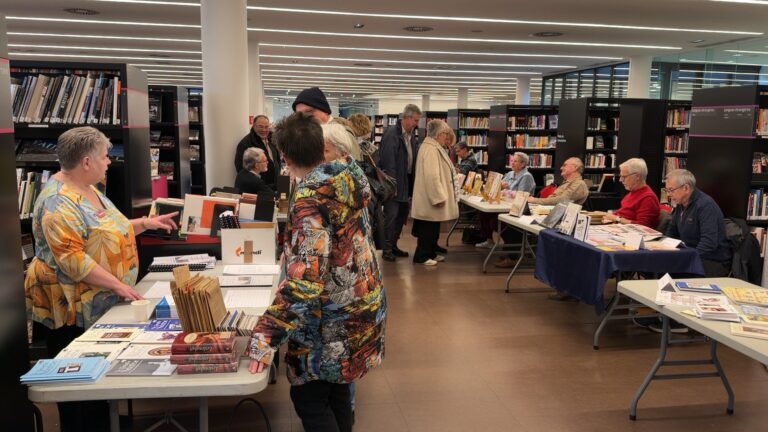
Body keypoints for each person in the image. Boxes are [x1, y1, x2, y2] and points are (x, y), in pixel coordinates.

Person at [24, 126, 177, 432]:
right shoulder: (56, 203)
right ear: (86, 161)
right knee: (79, 393)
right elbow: (74, 260)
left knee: (98, 385)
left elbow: (102, 233)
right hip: (71, 309)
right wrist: (120, 286)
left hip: (99, 301)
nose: (109, 162)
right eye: (105, 156)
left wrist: (144, 223)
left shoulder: (90, 188)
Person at [249, 113, 386, 432]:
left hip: (329, 321)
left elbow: (306, 281)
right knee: (337, 392)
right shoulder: (347, 175)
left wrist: (266, 333)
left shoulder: (312, 199)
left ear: (283, 156)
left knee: (310, 400)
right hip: (360, 305)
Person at [664, 169, 731, 275]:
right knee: (658, 264)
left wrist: (686, 258)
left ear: (686, 188)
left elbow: (708, 243)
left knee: (666, 270)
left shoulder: (705, 205)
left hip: (711, 261)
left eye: (671, 190)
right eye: (667, 190)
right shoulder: (680, 204)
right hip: (690, 253)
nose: (668, 194)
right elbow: (671, 231)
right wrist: (664, 247)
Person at [411, 120, 459, 266]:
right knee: (428, 229)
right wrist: (438, 197)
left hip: (428, 197)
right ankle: (422, 256)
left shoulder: (431, 147)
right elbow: (432, 176)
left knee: (432, 228)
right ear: (439, 134)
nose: (447, 138)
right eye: (445, 134)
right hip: (430, 198)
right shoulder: (431, 149)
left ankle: (430, 252)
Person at [378, 104, 422, 262]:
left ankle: (394, 246)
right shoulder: (393, 134)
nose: (417, 124)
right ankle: (387, 249)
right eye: (415, 120)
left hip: (406, 182)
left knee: (401, 216)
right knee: (391, 216)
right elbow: (388, 162)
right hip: (394, 184)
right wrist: (392, 186)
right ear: (407, 118)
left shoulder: (410, 135)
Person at [292, 87, 362, 160]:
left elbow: (355, 167)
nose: (305, 117)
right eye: (300, 115)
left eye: (310, 111)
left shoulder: (342, 134)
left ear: (325, 111)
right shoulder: (311, 134)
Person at [605, 158, 660, 228]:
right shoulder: (632, 192)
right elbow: (622, 213)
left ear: (637, 176)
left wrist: (617, 219)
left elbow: (642, 227)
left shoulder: (648, 198)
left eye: (624, 177)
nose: (620, 180)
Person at [234, 115, 279, 188]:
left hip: (273, 187)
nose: (264, 130)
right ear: (253, 126)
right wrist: (258, 185)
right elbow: (241, 168)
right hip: (258, 189)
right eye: (260, 127)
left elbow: (277, 160)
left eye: (266, 127)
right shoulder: (245, 143)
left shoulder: (272, 139)